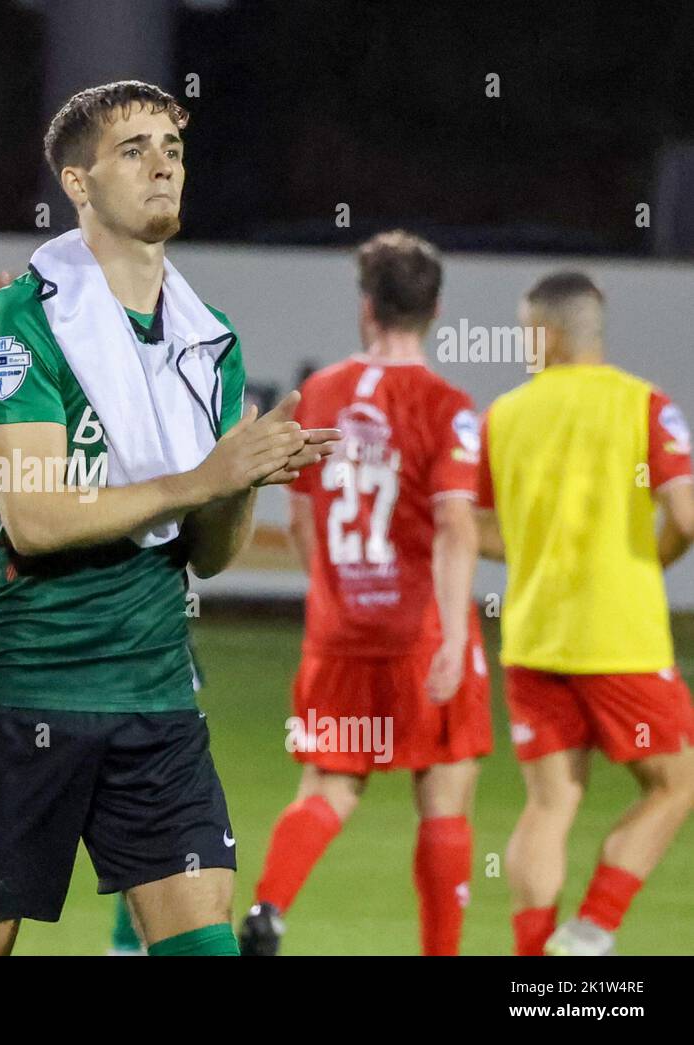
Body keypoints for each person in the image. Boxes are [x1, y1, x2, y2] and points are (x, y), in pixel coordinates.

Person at [0, 80, 337, 956]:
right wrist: (198, 477)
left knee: (200, 938)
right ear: (77, 182)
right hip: (27, 688)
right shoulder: (25, 317)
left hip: (154, 698)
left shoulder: (207, 337)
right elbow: (32, 518)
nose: (163, 165)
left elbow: (210, 557)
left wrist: (243, 480)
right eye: (133, 150)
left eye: (171, 149)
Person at [239, 230, 491, 956]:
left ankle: (269, 909)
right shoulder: (447, 406)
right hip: (421, 635)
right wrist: (448, 632)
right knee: (444, 796)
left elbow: (301, 515)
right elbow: (452, 524)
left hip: (341, 633)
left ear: (367, 308)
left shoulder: (321, 391)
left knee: (328, 786)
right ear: (435, 309)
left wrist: (332, 599)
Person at [476, 271, 694, 956]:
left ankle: (535, 960)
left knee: (549, 805)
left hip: (535, 640)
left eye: (523, 331)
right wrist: (649, 558)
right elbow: (686, 514)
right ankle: (592, 927)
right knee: (676, 782)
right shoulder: (645, 406)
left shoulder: (504, 414)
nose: (521, 345)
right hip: (620, 642)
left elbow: (481, 530)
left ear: (549, 333)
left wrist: (539, 551)